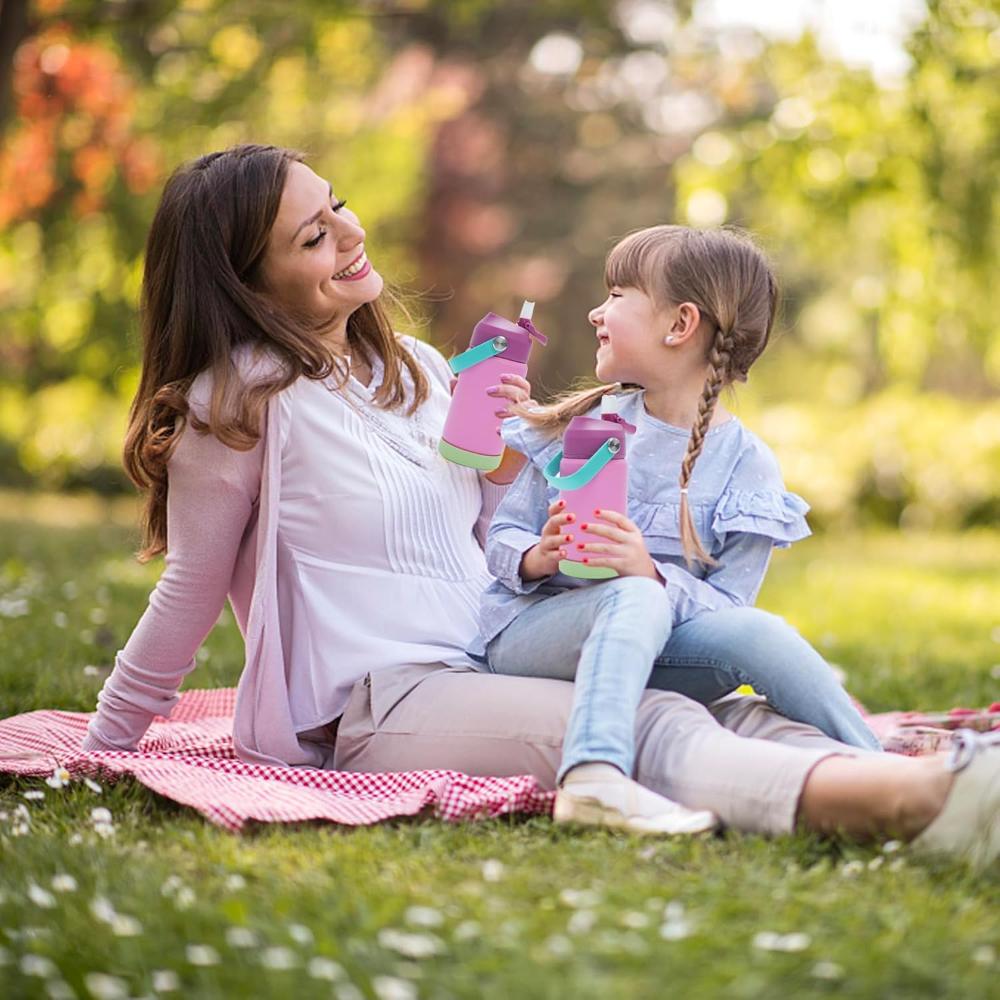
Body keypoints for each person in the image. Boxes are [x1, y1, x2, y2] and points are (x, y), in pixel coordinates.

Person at [81, 144, 998, 866]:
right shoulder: (233, 406)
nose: (349, 235)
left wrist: (520, 506)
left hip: (486, 651)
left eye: (338, 206)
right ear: (246, 282)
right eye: (312, 238)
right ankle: (904, 808)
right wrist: (102, 744)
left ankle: (932, 782)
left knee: (721, 697)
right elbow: (192, 585)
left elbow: (483, 542)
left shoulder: (423, 371)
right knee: (646, 725)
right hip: (377, 701)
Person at [476, 226, 880, 833]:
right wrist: (540, 554)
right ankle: (593, 776)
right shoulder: (581, 425)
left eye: (616, 294)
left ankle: (879, 766)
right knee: (634, 596)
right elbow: (502, 536)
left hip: (659, 649)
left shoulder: (746, 465)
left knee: (760, 633)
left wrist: (652, 574)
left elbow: (727, 611)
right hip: (534, 637)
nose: (596, 311)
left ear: (680, 324)